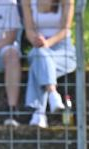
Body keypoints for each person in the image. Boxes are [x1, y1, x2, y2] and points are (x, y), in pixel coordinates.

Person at [22, 0, 76, 128]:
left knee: (39, 63)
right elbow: (29, 30)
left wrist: (47, 44)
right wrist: (37, 41)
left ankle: (39, 113)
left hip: (62, 49)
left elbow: (65, 30)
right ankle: (52, 93)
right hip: (38, 47)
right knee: (40, 56)